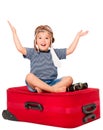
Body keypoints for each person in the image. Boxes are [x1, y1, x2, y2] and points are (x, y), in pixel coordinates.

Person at [8, 21, 88, 93]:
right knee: (29, 77)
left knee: (69, 79)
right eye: (40, 38)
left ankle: (46, 90)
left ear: (51, 41)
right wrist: (14, 32)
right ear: (36, 41)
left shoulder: (55, 53)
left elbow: (70, 50)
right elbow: (20, 48)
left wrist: (77, 36)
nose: (43, 40)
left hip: (52, 82)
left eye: (46, 38)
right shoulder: (33, 52)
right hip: (37, 83)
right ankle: (53, 90)